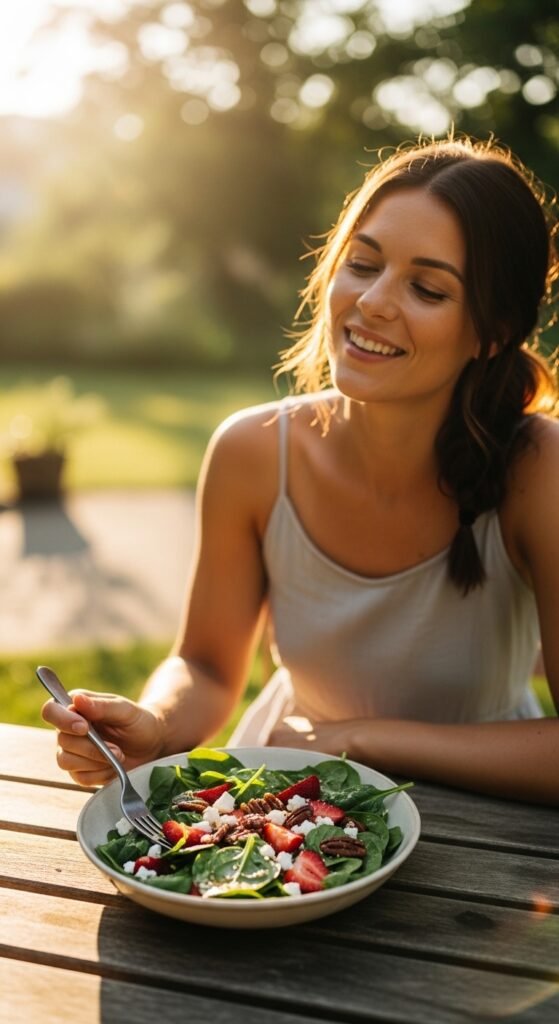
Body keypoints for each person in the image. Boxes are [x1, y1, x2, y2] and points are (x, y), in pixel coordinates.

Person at [43, 135, 559, 805]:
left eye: (427, 289)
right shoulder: (252, 452)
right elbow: (202, 664)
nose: (372, 300)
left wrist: (358, 737)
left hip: (481, 814)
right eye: (362, 263)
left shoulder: (537, 469)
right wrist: (155, 724)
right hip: (291, 789)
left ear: (491, 332)